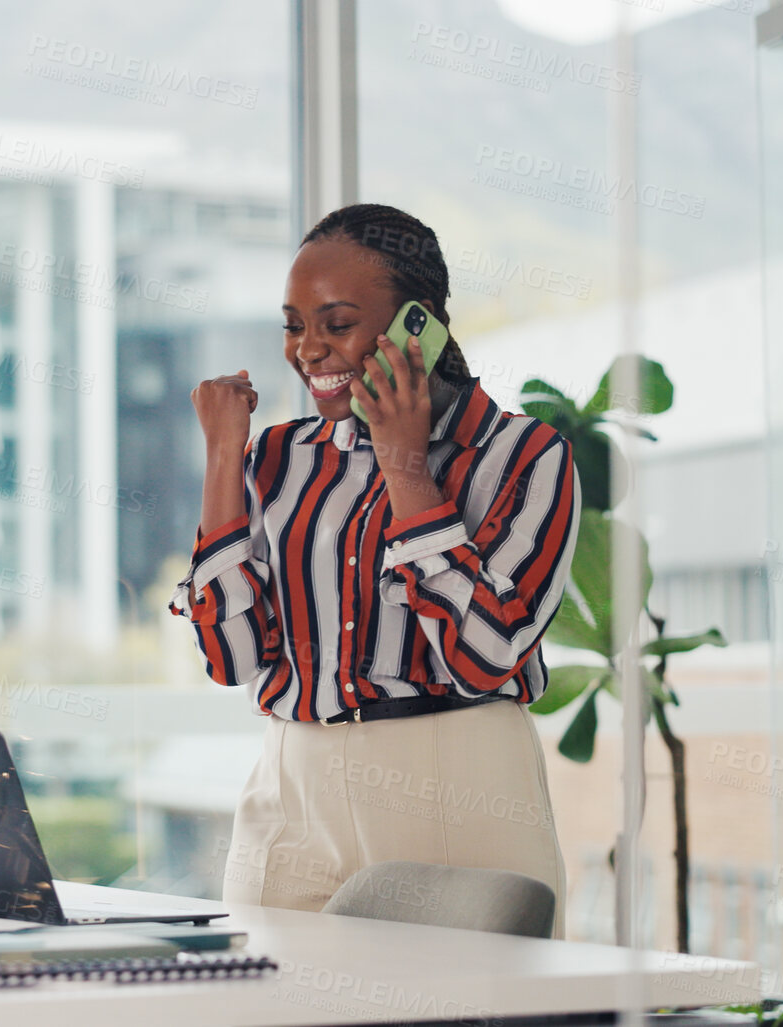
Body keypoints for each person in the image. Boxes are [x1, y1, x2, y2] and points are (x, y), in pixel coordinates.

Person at [168, 203, 578, 933]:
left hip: (453, 782)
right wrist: (224, 457)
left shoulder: (525, 455)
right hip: (289, 787)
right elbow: (229, 656)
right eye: (294, 325)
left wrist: (404, 465)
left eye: (336, 322)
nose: (308, 350)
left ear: (413, 324)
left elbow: (485, 658)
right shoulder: (279, 455)